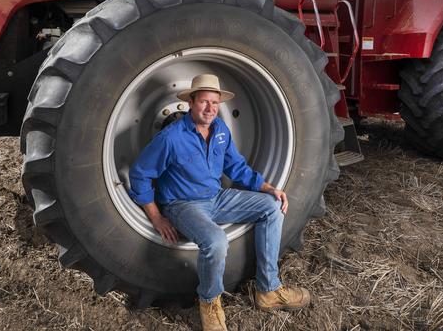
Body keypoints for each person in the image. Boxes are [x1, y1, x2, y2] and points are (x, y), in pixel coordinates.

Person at [128, 74, 310, 331]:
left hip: (217, 197)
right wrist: (156, 216)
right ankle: (209, 303)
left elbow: (236, 167)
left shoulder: (221, 130)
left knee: (271, 207)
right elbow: (140, 174)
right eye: (204, 102)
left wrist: (269, 188)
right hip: (183, 204)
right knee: (216, 241)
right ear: (190, 103)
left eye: (214, 103)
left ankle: (268, 290)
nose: (210, 108)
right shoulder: (171, 138)